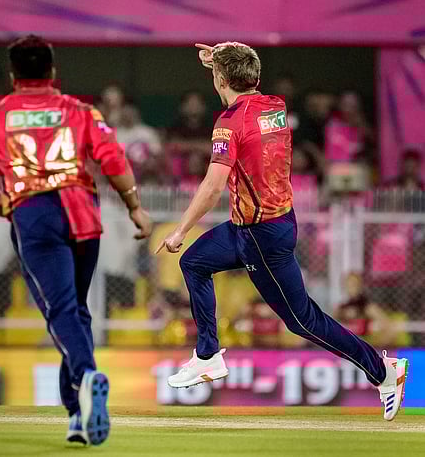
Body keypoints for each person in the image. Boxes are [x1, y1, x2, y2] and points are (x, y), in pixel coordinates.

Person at [156, 41, 409, 421]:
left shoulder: (229, 123)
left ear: (221, 79)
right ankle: (207, 356)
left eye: (216, 74)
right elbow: (242, 77)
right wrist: (220, 62)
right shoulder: (274, 105)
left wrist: (180, 230)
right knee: (195, 263)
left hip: (261, 236)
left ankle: (383, 370)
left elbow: (211, 188)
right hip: (261, 225)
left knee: (302, 319)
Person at [0, 35, 152, 446]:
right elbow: (113, 158)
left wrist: (0, 203)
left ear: (13, 76)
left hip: (34, 215)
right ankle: (76, 415)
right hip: (83, 211)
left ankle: (85, 377)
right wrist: (135, 206)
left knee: (61, 309)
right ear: (52, 72)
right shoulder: (80, 110)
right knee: (74, 309)